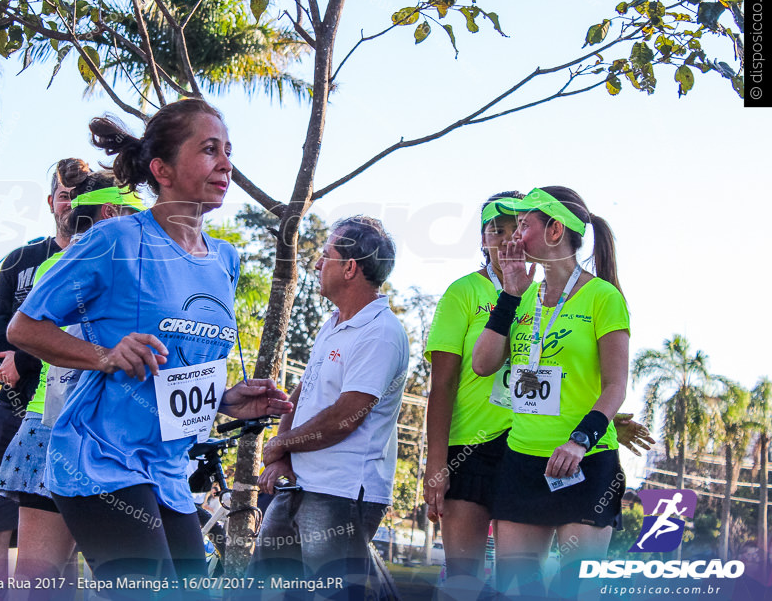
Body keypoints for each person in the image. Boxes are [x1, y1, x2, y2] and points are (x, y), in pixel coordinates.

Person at [8, 99, 292, 586]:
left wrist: (225, 400)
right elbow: (24, 328)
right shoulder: (117, 240)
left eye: (228, 150)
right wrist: (105, 356)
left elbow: (180, 369)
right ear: (161, 169)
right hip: (100, 459)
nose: (225, 163)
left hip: (167, 471)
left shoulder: (225, 260)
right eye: (208, 150)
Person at [471, 186, 629, 599]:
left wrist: (580, 441)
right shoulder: (522, 297)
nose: (513, 237)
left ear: (555, 230)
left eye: (524, 226)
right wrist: (508, 293)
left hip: (585, 464)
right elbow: (483, 364)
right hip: (523, 464)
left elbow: (616, 386)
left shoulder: (602, 297)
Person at [0, 168, 145, 589]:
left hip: (67, 427)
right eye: (137, 215)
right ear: (112, 211)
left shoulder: (59, 264)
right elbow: (23, 333)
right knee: (56, 579)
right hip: (71, 428)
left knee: (46, 581)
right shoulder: (124, 267)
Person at [249, 215, 410, 594]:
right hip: (299, 484)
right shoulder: (334, 322)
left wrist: (281, 445)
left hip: (342, 494)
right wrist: (282, 456)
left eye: (326, 255)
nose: (318, 263)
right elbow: (303, 392)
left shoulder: (382, 334)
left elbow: (345, 417)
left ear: (350, 268)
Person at [0, 158, 85, 584]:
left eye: (79, 195)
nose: (70, 204)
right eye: (64, 195)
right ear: (50, 201)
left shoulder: (97, 258)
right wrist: (10, 356)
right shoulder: (23, 258)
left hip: (69, 414)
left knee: (58, 542)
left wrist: (27, 355)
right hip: (11, 409)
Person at [422, 191, 527, 587]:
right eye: (495, 230)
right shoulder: (463, 291)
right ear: (483, 239)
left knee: (516, 582)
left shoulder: (547, 294)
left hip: (529, 445)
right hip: (468, 448)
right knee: (463, 580)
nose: (505, 239)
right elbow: (443, 383)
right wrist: (436, 465)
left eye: (516, 227)